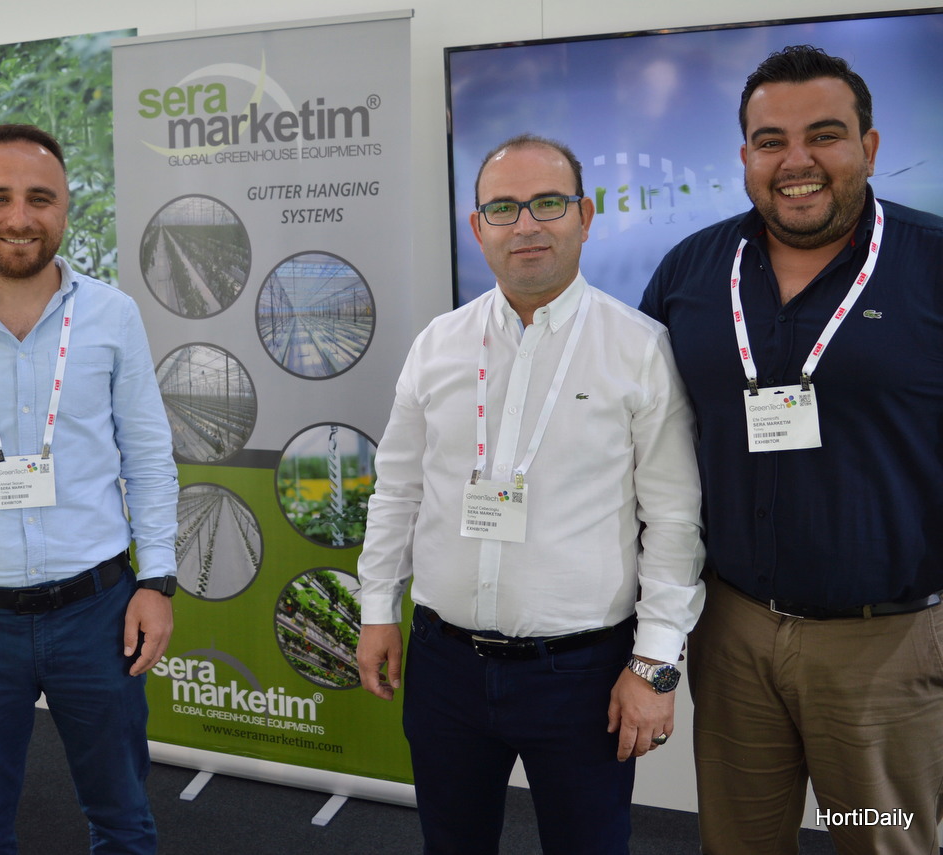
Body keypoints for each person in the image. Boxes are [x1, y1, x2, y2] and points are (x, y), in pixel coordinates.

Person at [356, 134, 705, 855]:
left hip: (581, 677)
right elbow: (397, 489)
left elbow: (674, 521)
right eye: (503, 208)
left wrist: (654, 665)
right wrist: (377, 609)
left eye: (547, 203)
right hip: (445, 667)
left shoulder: (639, 348)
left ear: (585, 215)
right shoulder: (438, 344)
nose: (526, 225)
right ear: (477, 226)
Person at [641, 45, 943, 854]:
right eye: (771, 141)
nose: (796, 161)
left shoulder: (931, 262)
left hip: (884, 647)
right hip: (732, 632)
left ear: (869, 147)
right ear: (745, 156)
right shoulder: (690, 273)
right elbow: (644, 446)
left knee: (878, 838)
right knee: (739, 841)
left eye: (824, 135)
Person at [0, 124, 178, 854]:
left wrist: (158, 581)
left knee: (123, 818)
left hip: (98, 613)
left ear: (66, 208)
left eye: (40, 198)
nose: (20, 217)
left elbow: (148, 457)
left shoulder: (112, 315)